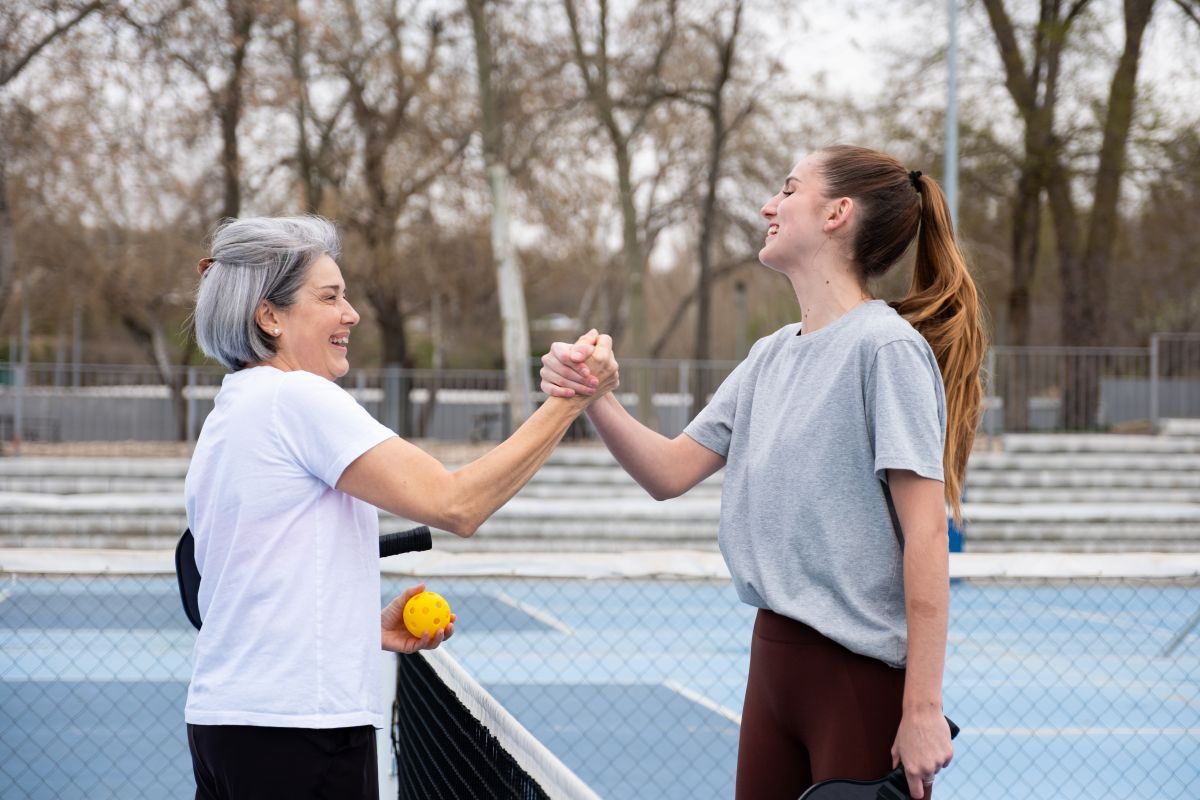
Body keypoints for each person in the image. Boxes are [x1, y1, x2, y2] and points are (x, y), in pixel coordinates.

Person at [539, 144, 984, 800]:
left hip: (859, 681)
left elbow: (927, 536)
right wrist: (594, 395)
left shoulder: (885, 349)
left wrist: (921, 708)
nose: (767, 205)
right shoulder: (769, 355)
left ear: (837, 213)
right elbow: (667, 472)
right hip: (773, 664)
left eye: (787, 188)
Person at [184, 215, 618, 800]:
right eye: (330, 297)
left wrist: (356, 629)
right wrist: (572, 401)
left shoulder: (231, 412)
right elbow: (457, 503)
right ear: (270, 316)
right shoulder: (298, 398)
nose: (352, 314)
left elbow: (252, 578)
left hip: (226, 724)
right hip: (300, 734)